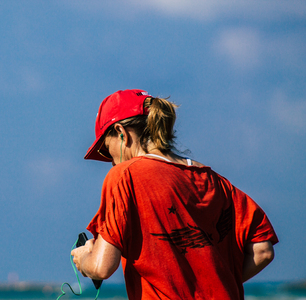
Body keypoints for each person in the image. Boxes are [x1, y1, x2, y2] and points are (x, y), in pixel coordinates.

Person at [71, 89, 278, 300]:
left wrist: (84, 258)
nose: (112, 161)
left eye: (107, 150)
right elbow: (262, 251)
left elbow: (101, 267)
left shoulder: (124, 176)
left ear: (121, 132)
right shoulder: (218, 182)